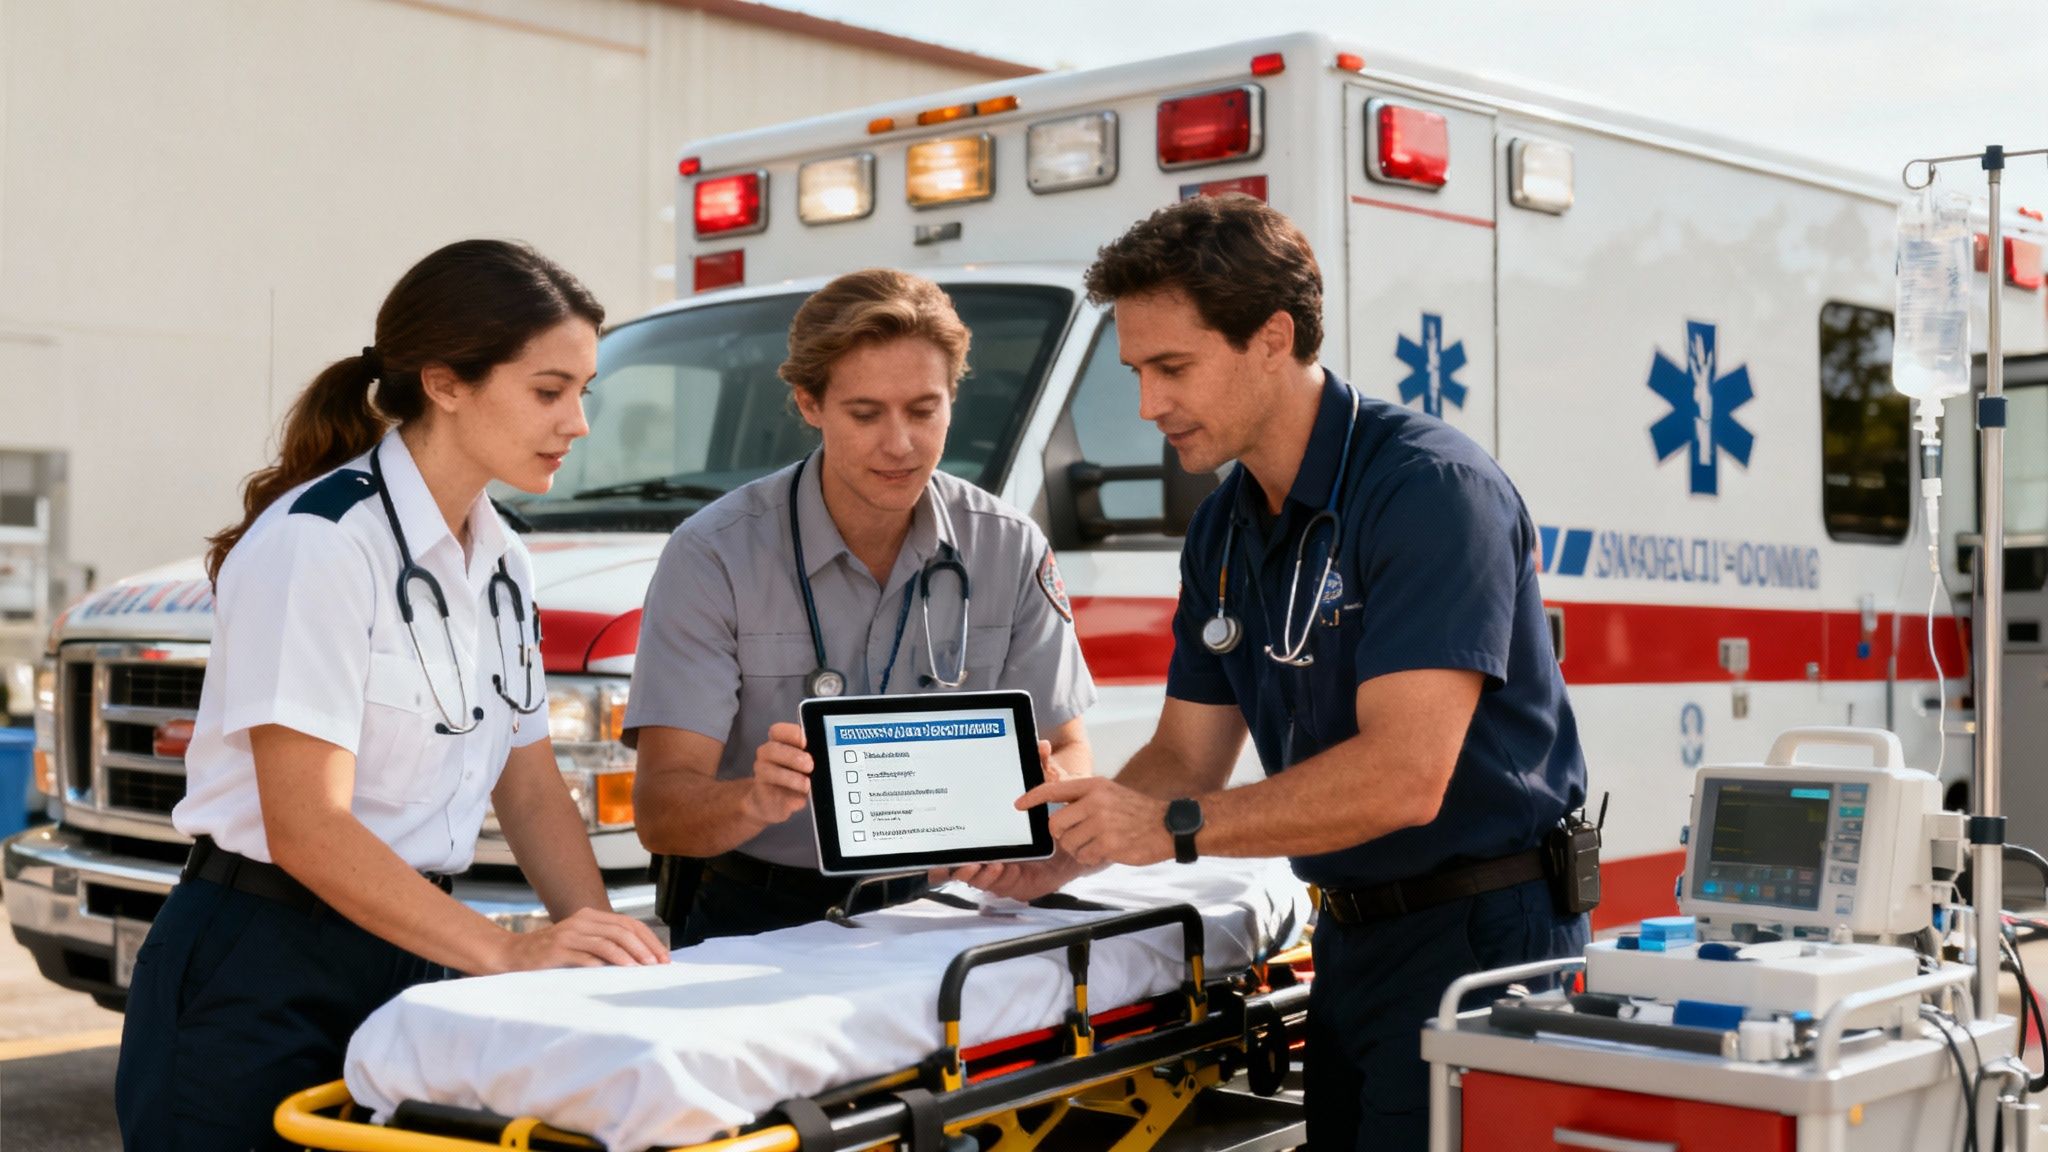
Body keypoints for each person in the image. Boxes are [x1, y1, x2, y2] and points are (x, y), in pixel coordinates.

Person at [995, 196, 1590, 1151]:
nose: (1148, 406)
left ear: (1273, 337)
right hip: (1349, 942)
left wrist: (1174, 830)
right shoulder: (1225, 526)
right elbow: (1186, 753)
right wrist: (1066, 850)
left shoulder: (1429, 491)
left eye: (1172, 368)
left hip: (1482, 939)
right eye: (1137, 372)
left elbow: (1404, 777)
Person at [115, 239, 667, 1151]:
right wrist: (506, 950)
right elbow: (306, 824)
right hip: (259, 968)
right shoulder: (321, 543)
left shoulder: (505, 560)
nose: (578, 423)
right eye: (547, 390)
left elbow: (528, 786)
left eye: (584, 391)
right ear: (446, 383)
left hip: (416, 957)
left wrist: (595, 942)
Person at [626, 268, 1095, 945]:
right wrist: (752, 800)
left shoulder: (1009, 546)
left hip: (949, 909)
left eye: (923, 410)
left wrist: (1049, 802)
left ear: (953, 399)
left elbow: (1071, 746)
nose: (899, 444)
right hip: (759, 914)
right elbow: (661, 810)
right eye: (866, 413)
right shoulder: (713, 555)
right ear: (809, 404)